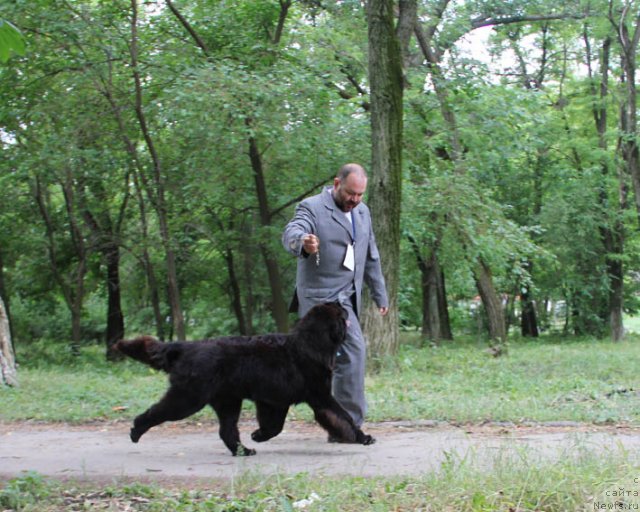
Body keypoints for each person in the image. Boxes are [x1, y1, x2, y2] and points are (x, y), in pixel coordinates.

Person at [282, 163, 389, 432]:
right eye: (351, 193)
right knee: (314, 364)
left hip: (346, 299)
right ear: (337, 184)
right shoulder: (312, 207)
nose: (355, 200)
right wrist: (302, 241)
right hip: (318, 300)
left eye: (360, 195)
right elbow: (292, 230)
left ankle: (347, 424)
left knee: (353, 354)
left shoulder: (363, 212)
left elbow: (370, 255)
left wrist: (380, 295)